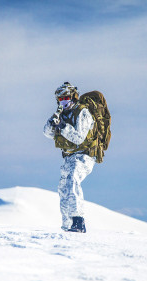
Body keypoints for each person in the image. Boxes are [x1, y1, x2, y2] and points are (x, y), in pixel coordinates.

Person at [43, 82, 97, 233]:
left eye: (66, 98)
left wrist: (63, 127)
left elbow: (79, 137)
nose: (63, 101)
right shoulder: (62, 114)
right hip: (68, 157)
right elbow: (47, 133)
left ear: (73, 97)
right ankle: (67, 225)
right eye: (60, 99)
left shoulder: (83, 112)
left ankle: (78, 222)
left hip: (84, 156)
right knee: (63, 188)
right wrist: (52, 123)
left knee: (73, 180)